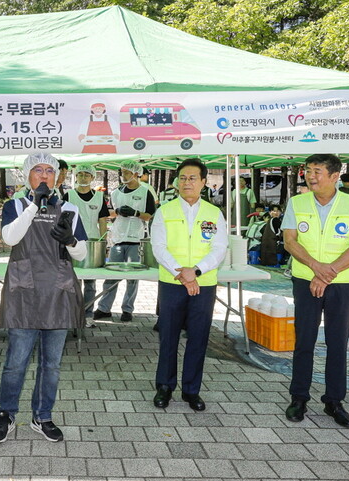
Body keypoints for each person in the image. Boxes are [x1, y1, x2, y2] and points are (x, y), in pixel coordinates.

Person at [0, 152, 87, 444]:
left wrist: (69, 240)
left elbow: (81, 253)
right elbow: (10, 238)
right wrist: (35, 204)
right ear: (27, 175)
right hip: (24, 292)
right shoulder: (16, 205)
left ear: (57, 176)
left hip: (58, 291)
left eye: (49, 170)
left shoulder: (70, 208)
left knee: (52, 363)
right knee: (16, 361)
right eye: (37, 170)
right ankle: (6, 414)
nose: (44, 175)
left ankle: (42, 415)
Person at [282, 154, 349, 429]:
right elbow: (290, 241)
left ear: (334, 176)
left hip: (342, 283)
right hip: (305, 280)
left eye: (317, 171)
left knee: (337, 342)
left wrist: (327, 273)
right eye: (308, 170)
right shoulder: (297, 202)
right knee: (303, 341)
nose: (311, 176)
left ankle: (334, 401)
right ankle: (299, 398)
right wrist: (316, 267)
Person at [150, 158, 227, 412]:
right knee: (168, 336)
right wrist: (181, 273)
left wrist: (195, 271)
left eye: (193, 178)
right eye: (182, 178)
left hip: (203, 284)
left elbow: (219, 248)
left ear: (204, 182)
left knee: (198, 337)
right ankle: (164, 386)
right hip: (172, 282)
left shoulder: (214, 213)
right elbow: (158, 246)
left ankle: (191, 390)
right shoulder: (165, 211)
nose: (187, 182)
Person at [94, 160, 155, 322]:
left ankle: (127, 309)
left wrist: (136, 213)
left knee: (132, 278)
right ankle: (104, 308)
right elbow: (109, 213)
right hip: (118, 238)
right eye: (122, 172)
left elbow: (149, 215)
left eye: (126, 172)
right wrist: (118, 212)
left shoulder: (145, 192)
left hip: (136, 238)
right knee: (111, 276)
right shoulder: (116, 192)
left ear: (136, 173)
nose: (123, 175)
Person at [65, 164, 109, 327]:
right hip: (72, 242)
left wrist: (103, 242)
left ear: (92, 177)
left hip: (93, 243)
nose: (83, 178)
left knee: (90, 282)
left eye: (86, 175)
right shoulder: (68, 195)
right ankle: (72, 314)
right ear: (76, 177)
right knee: (72, 281)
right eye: (80, 174)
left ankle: (88, 314)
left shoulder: (98, 197)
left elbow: (103, 220)